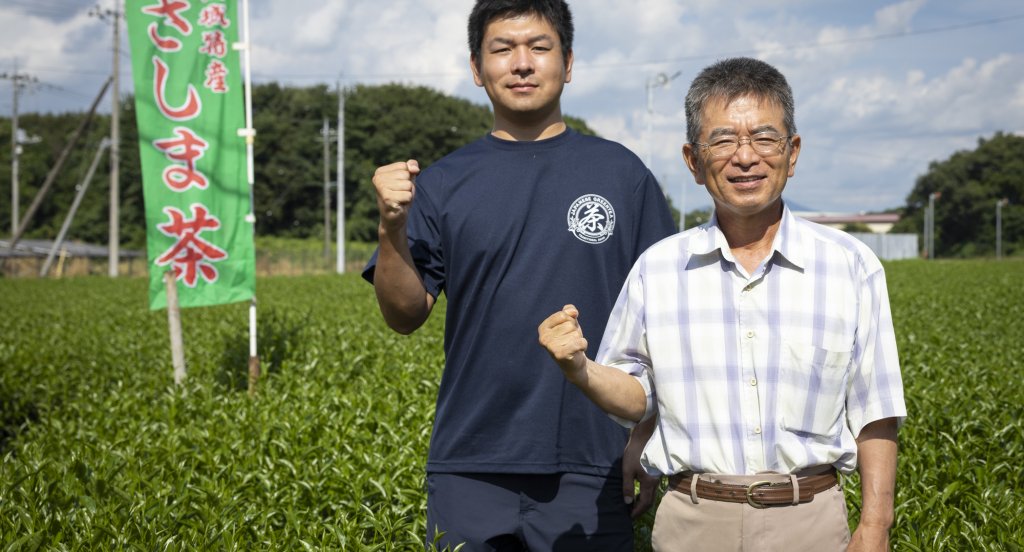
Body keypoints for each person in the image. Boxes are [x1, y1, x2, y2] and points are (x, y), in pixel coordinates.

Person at [539, 57, 906, 552]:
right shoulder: (659, 268)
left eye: (764, 138)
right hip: (693, 521)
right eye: (724, 140)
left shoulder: (851, 265)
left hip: (813, 520)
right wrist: (580, 369)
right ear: (694, 161)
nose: (746, 157)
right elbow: (636, 394)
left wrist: (876, 526)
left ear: (792, 152)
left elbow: (875, 412)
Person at [362, 0, 676, 549]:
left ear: (569, 62)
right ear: (477, 69)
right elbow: (405, 315)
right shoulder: (440, 184)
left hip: (595, 460)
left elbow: (669, 324)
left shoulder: (622, 174)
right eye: (502, 49)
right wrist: (392, 227)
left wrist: (645, 440)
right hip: (471, 463)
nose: (522, 63)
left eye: (539, 47)